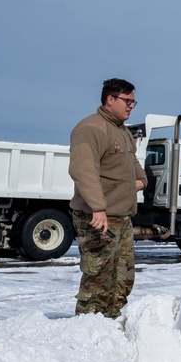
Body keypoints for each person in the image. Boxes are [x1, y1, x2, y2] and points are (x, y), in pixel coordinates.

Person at [68, 78, 147, 318]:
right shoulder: (92, 128)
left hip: (121, 217)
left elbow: (135, 170)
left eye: (134, 101)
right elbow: (84, 171)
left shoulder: (123, 132)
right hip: (99, 217)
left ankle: (110, 321)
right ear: (110, 99)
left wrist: (139, 182)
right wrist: (98, 208)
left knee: (122, 276)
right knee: (98, 277)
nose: (132, 105)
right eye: (128, 100)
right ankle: (88, 326)